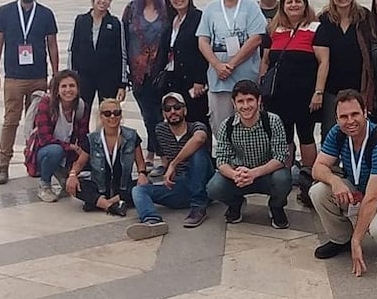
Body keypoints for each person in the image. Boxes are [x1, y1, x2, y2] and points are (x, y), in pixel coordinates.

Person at [310, 89, 377, 276]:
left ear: (365, 112)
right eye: (344, 116)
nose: (350, 121)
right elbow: (318, 168)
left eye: (355, 114)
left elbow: (372, 199)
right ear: (337, 118)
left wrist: (358, 241)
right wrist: (335, 181)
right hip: (358, 186)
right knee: (318, 191)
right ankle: (341, 239)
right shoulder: (338, 133)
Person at [260, 0, 329, 203]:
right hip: (279, 96)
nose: (293, 5)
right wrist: (261, 88)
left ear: (305, 4)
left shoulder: (316, 28)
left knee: (306, 135)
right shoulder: (274, 29)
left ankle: (308, 178)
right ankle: (285, 179)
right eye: (289, 2)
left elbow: (323, 62)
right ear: (283, 6)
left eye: (298, 1)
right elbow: (265, 61)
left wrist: (318, 92)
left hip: (304, 93)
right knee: (285, 137)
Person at [0, 0, 59, 185]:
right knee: (10, 121)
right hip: (14, 78)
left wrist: (56, 76)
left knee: (38, 124)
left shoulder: (46, 14)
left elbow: (52, 46)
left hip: (39, 77)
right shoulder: (5, 12)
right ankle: (3, 165)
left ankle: (34, 162)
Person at [206, 80, 293, 228]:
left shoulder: (272, 121)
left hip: (267, 173)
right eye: (240, 101)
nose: (245, 106)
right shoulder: (227, 125)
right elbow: (221, 160)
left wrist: (254, 173)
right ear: (234, 103)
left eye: (250, 100)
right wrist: (235, 175)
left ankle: (276, 206)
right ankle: (235, 203)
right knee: (214, 187)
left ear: (259, 100)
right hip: (239, 176)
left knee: (283, 179)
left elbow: (280, 156)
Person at [127, 92, 213, 239]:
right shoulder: (161, 130)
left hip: (204, 180)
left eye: (177, 107)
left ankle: (198, 206)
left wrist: (174, 163)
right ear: (163, 113)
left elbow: (199, 139)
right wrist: (168, 171)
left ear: (184, 110)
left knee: (198, 153)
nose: (172, 111)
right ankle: (152, 221)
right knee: (138, 190)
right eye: (167, 109)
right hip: (181, 185)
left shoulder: (196, 127)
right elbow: (166, 158)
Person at [197, 0, 267, 134]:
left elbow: (256, 38)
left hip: (246, 80)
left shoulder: (251, 7)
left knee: (250, 127)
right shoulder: (210, 8)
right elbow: (203, 41)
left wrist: (231, 65)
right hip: (218, 81)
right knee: (221, 128)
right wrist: (217, 65)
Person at [123, 0, 170, 177]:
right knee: (147, 115)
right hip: (138, 72)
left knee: (160, 115)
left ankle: (161, 156)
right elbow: (123, 39)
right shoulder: (131, 9)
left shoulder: (166, 9)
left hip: (161, 72)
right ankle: (152, 153)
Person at [314, 0, 374, 137]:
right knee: (331, 131)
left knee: (358, 130)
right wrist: (318, 91)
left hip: (357, 86)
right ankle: (330, 163)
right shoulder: (323, 19)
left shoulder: (364, 17)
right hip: (332, 88)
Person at [68, 98, 148, 217]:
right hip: (99, 187)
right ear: (101, 116)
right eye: (107, 113)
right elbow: (79, 164)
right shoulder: (92, 139)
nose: (112, 116)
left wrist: (142, 174)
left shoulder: (132, 136)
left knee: (146, 184)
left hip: (123, 187)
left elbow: (141, 163)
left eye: (116, 113)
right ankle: (112, 206)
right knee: (76, 185)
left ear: (121, 116)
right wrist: (72, 175)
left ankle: (102, 203)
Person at [25, 69, 91, 202]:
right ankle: (45, 184)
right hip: (43, 150)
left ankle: (63, 173)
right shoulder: (46, 104)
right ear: (57, 89)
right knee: (55, 150)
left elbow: (84, 137)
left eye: (72, 86)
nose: (68, 90)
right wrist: (70, 147)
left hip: (67, 153)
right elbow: (44, 139)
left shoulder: (81, 106)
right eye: (64, 86)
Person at [68, 0, 126, 116]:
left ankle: (104, 137)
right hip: (84, 77)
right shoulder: (81, 21)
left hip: (108, 78)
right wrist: (71, 78)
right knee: (81, 114)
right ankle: (81, 138)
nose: (103, 1)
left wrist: (122, 84)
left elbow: (121, 54)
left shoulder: (115, 23)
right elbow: (73, 49)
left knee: (108, 114)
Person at [161, 0, 209, 126]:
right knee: (180, 122)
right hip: (175, 79)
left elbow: (203, 49)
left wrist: (200, 79)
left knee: (197, 121)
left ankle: (201, 149)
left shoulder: (198, 17)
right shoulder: (172, 20)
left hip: (193, 81)